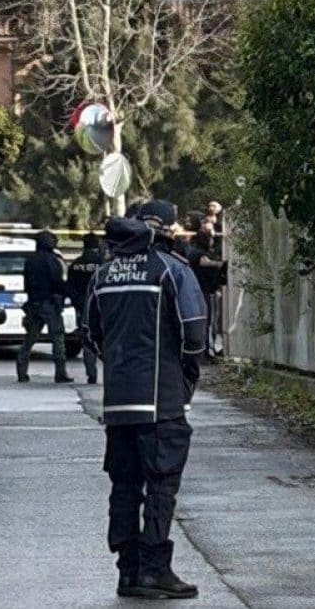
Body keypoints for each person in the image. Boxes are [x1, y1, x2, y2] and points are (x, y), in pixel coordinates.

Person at [85, 203, 207, 600]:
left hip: (118, 404)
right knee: (161, 484)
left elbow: (90, 334)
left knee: (124, 485)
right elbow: (193, 330)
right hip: (161, 400)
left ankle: (128, 570)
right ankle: (156, 568)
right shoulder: (170, 270)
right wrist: (187, 372)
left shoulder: (103, 275)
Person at [16, 229, 73, 384]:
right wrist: (69, 293)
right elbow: (57, 282)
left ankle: (21, 371)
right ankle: (60, 373)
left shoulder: (30, 261)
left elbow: (26, 284)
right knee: (58, 338)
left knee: (30, 338)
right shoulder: (52, 260)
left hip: (33, 303)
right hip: (49, 304)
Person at [67, 232, 104, 384]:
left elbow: (70, 287)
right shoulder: (104, 264)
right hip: (103, 305)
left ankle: (91, 374)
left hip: (83, 307)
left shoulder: (75, 264)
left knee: (88, 339)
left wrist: (78, 303)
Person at [187, 230, 227, 358]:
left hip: (196, 291)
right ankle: (208, 352)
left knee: (203, 322)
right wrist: (219, 264)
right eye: (210, 238)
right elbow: (204, 262)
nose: (212, 241)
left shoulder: (192, 252)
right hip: (206, 291)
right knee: (210, 322)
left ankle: (203, 351)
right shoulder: (200, 255)